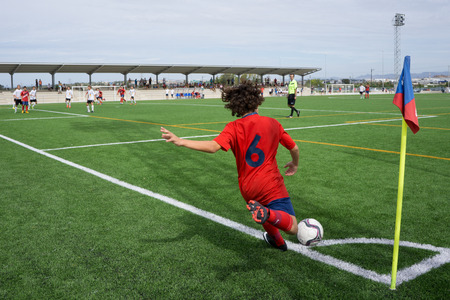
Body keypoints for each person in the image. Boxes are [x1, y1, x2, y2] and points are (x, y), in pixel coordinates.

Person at [161, 82, 300, 251]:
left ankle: (277, 241)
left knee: (260, 210)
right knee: (293, 227)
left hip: (247, 188)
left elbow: (213, 147)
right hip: (270, 183)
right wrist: (294, 164)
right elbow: (294, 148)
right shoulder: (272, 123)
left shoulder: (233, 127)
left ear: (236, 107)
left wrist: (181, 141)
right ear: (257, 101)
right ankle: (269, 214)